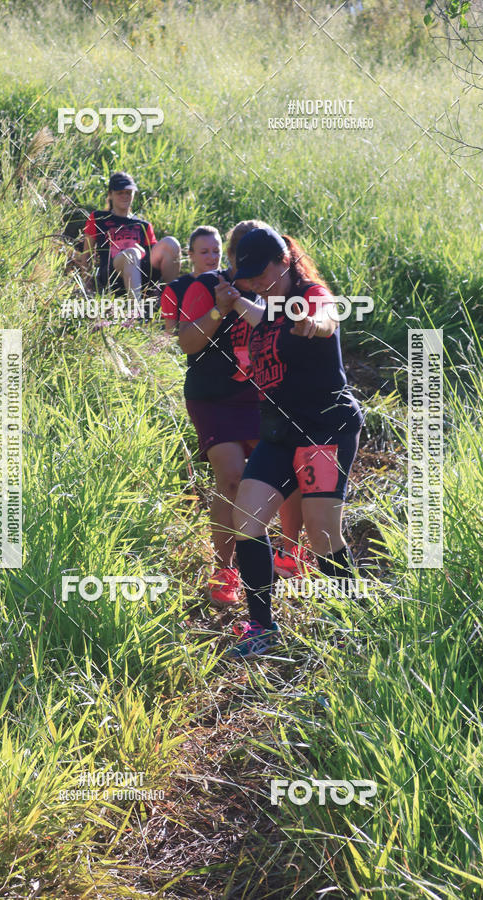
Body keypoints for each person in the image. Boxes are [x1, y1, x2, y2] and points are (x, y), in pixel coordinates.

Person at [213, 225, 363, 658]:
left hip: (325, 428)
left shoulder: (309, 295)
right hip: (279, 431)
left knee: (322, 533)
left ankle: (352, 623)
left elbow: (326, 318)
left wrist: (312, 324)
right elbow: (259, 317)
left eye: (264, 274)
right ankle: (261, 627)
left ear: (285, 262)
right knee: (247, 519)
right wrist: (236, 300)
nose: (258, 282)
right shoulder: (268, 305)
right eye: (251, 276)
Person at [178, 220, 303, 609]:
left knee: (287, 475)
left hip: (259, 397)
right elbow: (187, 342)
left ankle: (289, 552)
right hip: (212, 399)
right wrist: (219, 308)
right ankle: (224, 569)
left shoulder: (271, 287)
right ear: (231, 257)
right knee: (231, 478)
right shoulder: (204, 287)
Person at [80, 172, 181, 303]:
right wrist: (87, 286)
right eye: (119, 192)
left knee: (171, 242)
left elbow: (153, 257)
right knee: (131, 254)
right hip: (112, 274)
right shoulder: (98, 218)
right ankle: (135, 314)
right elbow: (86, 254)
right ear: (110, 194)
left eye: (128, 192)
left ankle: (167, 300)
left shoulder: (143, 225)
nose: (124, 196)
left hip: (140, 272)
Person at [161, 226, 222, 336]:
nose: (212, 257)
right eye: (204, 252)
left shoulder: (231, 283)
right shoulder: (174, 289)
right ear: (191, 255)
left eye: (216, 251)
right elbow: (170, 336)